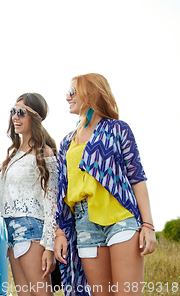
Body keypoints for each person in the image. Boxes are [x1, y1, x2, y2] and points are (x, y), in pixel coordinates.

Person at [54, 73, 156, 296]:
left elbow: (136, 177)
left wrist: (147, 225)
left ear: (89, 94)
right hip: (84, 224)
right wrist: (60, 231)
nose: (67, 97)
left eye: (72, 91)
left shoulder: (118, 129)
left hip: (120, 218)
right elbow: (61, 191)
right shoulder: (66, 141)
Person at [0, 93, 57, 296]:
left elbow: (52, 200)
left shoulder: (43, 152)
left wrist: (49, 247)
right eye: (13, 111)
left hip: (32, 230)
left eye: (21, 112)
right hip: (12, 233)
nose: (15, 117)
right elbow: (1, 190)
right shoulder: (13, 154)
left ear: (35, 117)